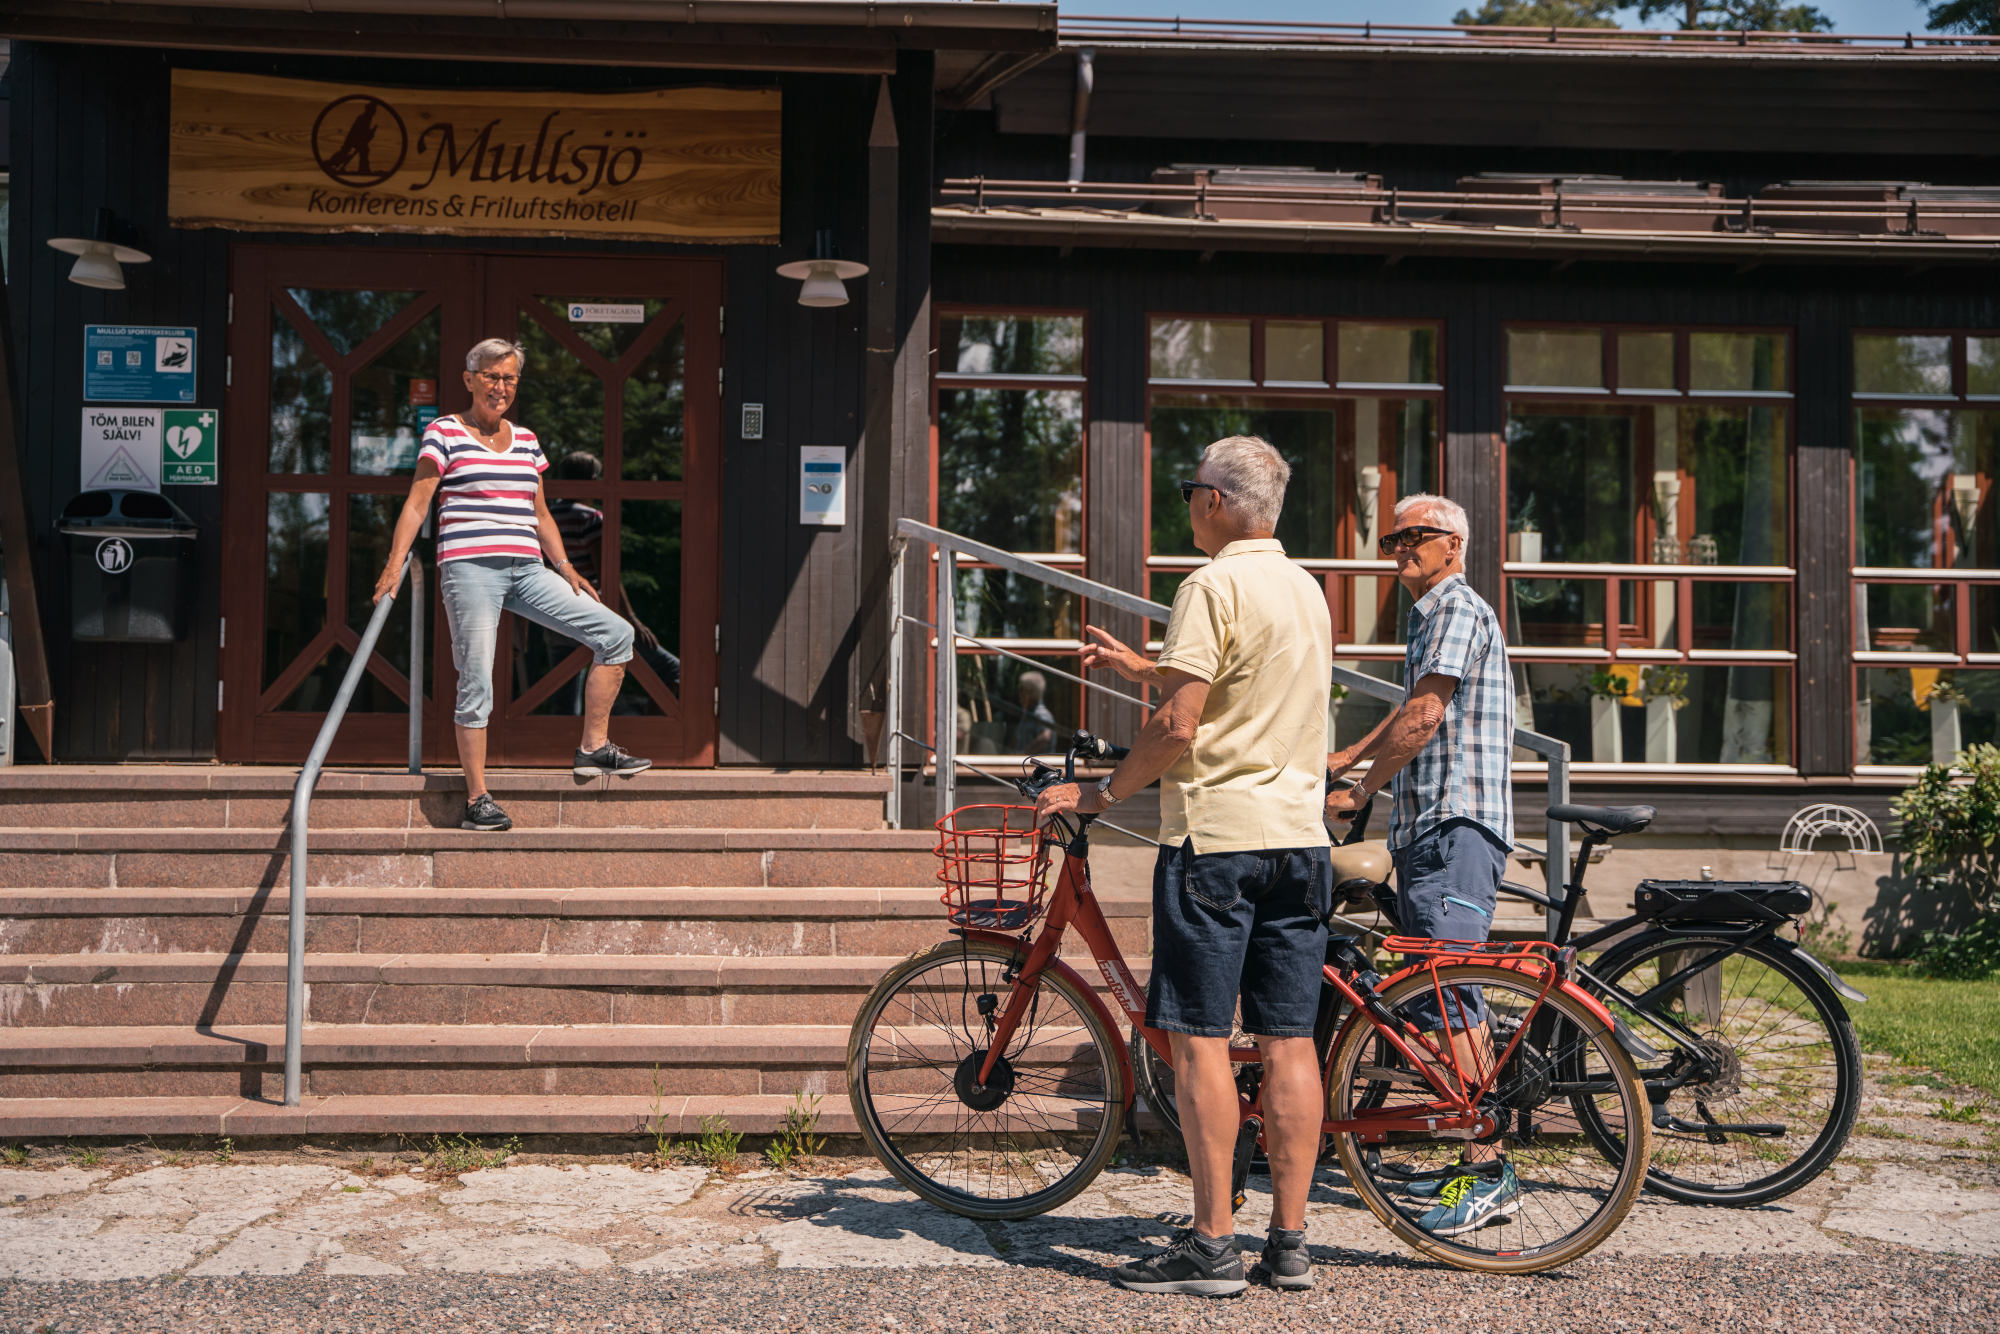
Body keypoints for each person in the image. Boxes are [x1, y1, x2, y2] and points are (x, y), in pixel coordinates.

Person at [1036, 435, 1332, 1297]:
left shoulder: (1210, 583)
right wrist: (1146, 666)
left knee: (1199, 1041)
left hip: (1217, 841)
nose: (1186, 504)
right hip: (1298, 839)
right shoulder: (1306, 589)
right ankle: (1290, 1242)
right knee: (1288, 1041)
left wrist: (1102, 795)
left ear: (1217, 502)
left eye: (1189, 489)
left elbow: (1179, 726)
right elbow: (1247, 682)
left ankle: (1210, 1247)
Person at [1324, 492, 1517, 1236]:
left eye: (1418, 535)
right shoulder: (1433, 614)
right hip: (1433, 828)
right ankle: (1476, 1155)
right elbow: (1416, 704)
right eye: (1394, 536)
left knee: (1452, 996)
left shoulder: (1456, 607)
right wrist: (1353, 755)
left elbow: (1427, 717)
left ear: (1454, 546)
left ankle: (1490, 1170)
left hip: (1454, 825)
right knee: (1444, 993)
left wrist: (1361, 785)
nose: (1401, 545)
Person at [373, 338, 650, 833]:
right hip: (470, 568)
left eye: (510, 379)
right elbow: (418, 503)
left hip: (527, 569)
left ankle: (592, 749)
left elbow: (539, 512)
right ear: (470, 379)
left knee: (615, 634)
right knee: (477, 679)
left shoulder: (526, 440)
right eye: (491, 376)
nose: (500, 387)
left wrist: (564, 566)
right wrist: (395, 564)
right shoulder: (443, 433)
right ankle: (477, 799)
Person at [1011, 669, 1058, 755]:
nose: (1019, 693)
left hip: (1038, 767)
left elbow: (1046, 736)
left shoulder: (1040, 713)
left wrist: (1025, 754)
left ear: (1030, 692)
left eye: (1021, 689)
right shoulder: (1029, 714)